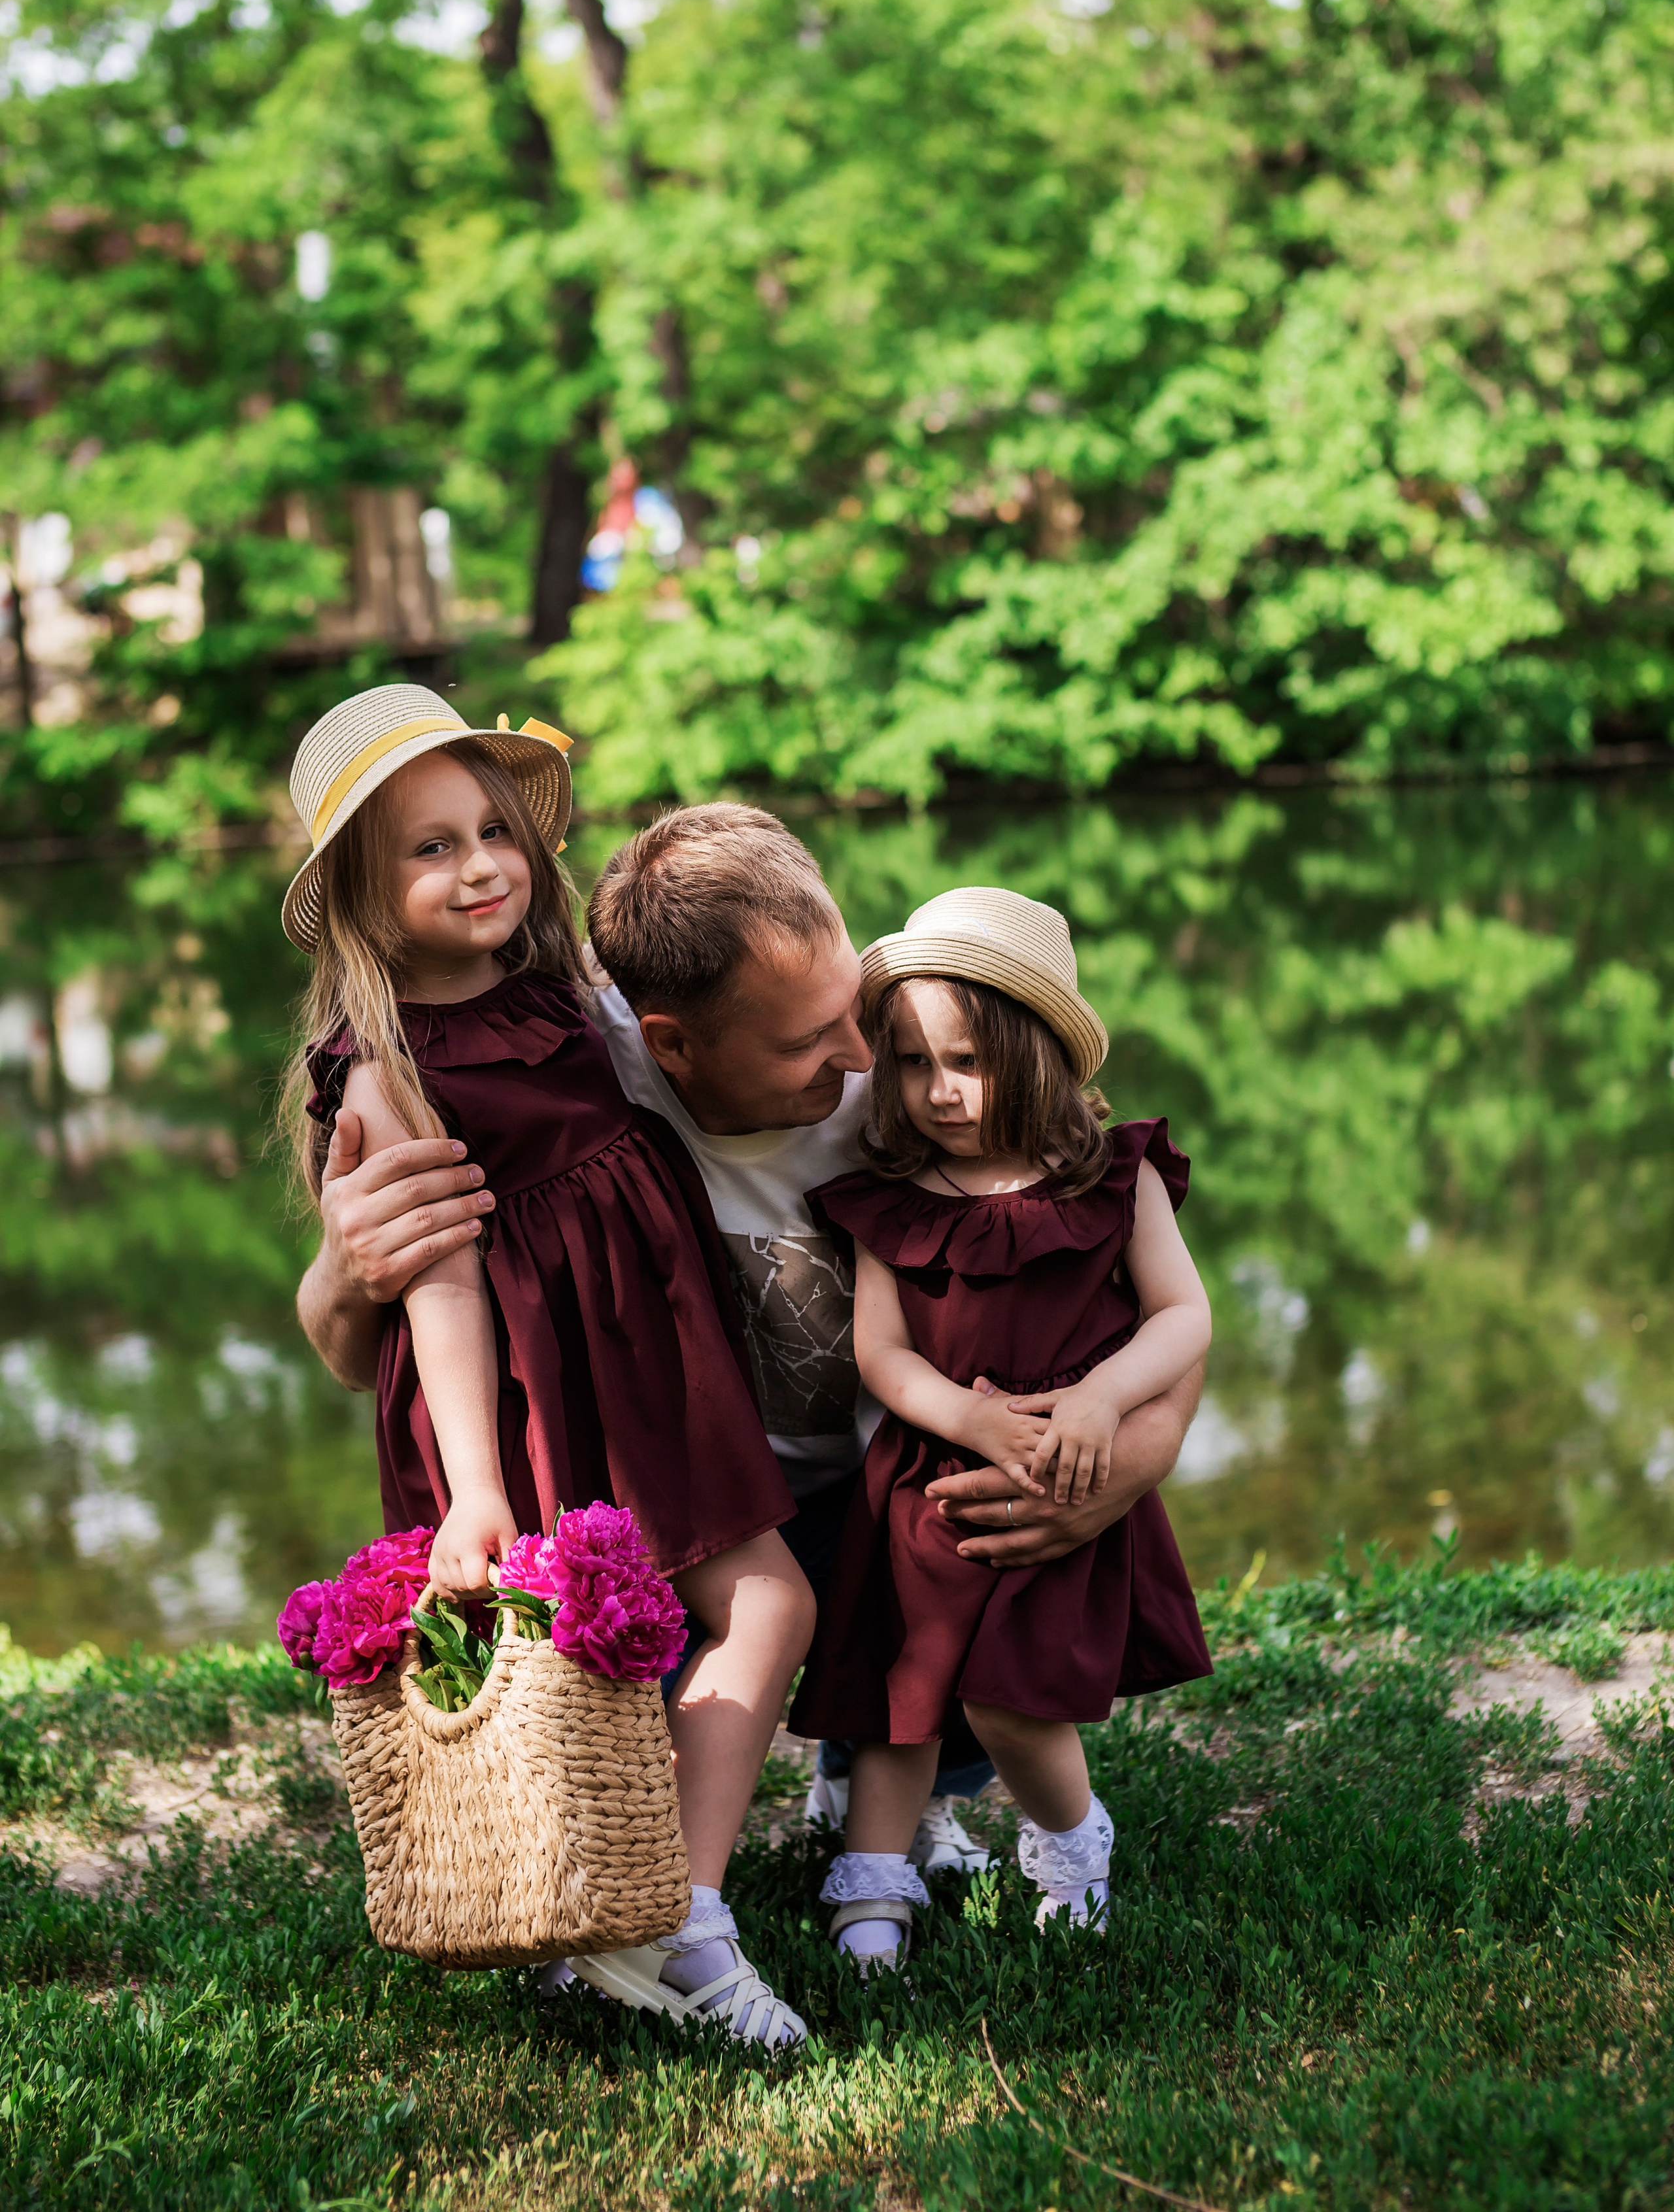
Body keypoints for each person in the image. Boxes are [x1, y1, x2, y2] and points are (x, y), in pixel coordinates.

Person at [294, 806, 1207, 1893]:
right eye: (805, 1044)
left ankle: (893, 1780)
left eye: (854, 1014)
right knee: (638, 1682)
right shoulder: (583, 1082)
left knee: (972, 1577)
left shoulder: (921, 1074)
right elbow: (365, 1357)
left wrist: (1132, 1463)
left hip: (896, 1488)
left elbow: (1125, 1270)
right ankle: (671, 1879)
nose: (865, 1056)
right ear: (668, 1039)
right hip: (704, 1509)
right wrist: (342, 1273)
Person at [281, 687, 811, 2049]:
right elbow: (437, 1278)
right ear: (356, 889)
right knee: (587, 1653)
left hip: (646, 1362)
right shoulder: (382, 1064)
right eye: (430, 847)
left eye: (493, 831)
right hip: (512, 1392)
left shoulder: (559, 987)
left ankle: (656, 1906)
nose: (481, 865)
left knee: (757, 1604)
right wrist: (471, 1489)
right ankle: (627, 1918)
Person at [790, 887, 1213, 1973]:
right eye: (914, 1062)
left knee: (1009, 1694)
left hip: (1065, 1468)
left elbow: (1183, 1316)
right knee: (901, 1688)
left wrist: (1099, 1401)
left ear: (1040, 1055)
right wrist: (969, 1413)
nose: (939, 1091)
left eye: (968, 1061)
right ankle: (874, 1875)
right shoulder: (893, 1198)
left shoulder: (1115, 1180)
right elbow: (882, 1354)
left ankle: (1072, 1842)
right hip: (927, 1476)